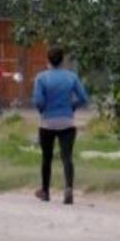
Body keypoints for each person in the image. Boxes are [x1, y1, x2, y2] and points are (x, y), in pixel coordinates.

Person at [32, 45, 88, 205]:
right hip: (67, 122)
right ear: (63, 60)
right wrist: (72, 107)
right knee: (67, 157)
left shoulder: (41, 78)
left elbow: (38, 101)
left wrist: (43, 110)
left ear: (48, 60)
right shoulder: (71, 77)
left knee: (46, 158)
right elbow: (83, 98)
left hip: (47, 123)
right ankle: (68, 188)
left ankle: (45, 191)